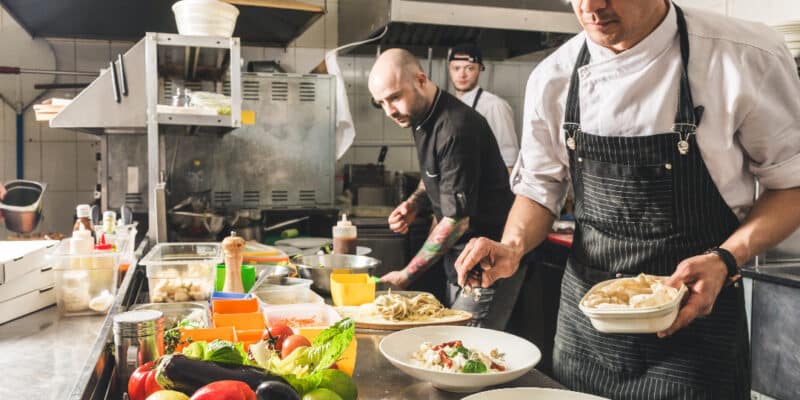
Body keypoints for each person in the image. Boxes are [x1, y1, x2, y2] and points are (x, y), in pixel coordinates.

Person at [455, 0, 800, 398]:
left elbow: (790, 186)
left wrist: (726, 258)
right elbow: (539, 188)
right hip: (585, 340)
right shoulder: (554, 76)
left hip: (695, 337)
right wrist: (511, 246)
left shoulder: (740, 56)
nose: (591, 6)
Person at [369, 48, 521, 329]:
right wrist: (414, 203)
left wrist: (405, 275)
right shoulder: (418, 116)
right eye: (381, 103)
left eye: (394, 97)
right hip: (458, 260)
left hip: (486, 263)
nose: (390, 110)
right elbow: (434, 175)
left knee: (469, 352)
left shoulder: (455, 128)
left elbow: (456, 221)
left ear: (420, 79)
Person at [448, 43, 520, 172]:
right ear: (450, 69)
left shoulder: (494, 105)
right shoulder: (449, 106)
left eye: (469, 68)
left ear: (480, 68)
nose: (462, 74)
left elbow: (509, 160)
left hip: (484, 188)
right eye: (456, 68)